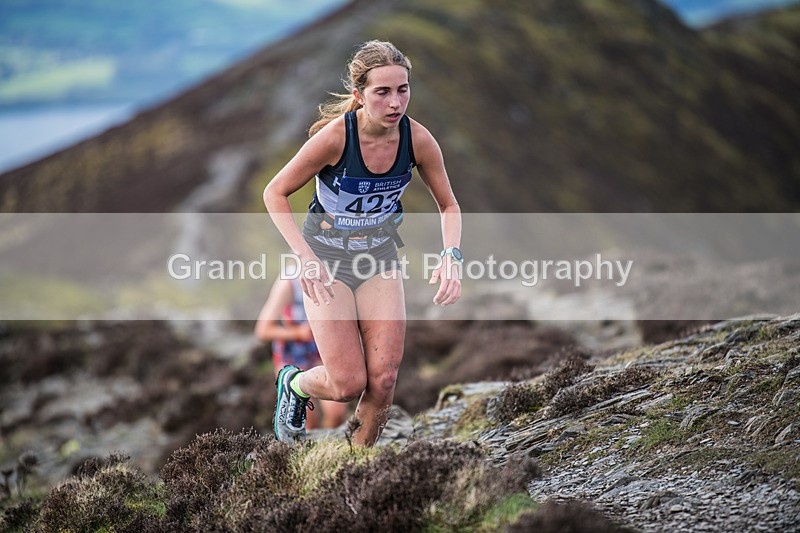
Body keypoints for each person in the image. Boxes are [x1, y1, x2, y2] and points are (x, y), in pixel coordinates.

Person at [264, 40, 462, 446]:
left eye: (403, 90)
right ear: (359, 95)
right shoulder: (336, 139)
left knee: (385, 379)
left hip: (379, 258)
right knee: (347, 383)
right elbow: (275, 192)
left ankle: (357, 469)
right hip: (326, 259)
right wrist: (303, 257)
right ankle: (295, 384)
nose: (395, 103)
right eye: (382, 92)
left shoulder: (418, 140)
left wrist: (451, 255)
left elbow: (449, 205)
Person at [254, 275, 348, 431]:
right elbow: (262, 331)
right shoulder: (288, 283)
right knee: (307, 421)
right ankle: (311, 450)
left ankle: (325, 447)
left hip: (322, 352)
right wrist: (299, 333)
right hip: (292, 356)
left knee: (337, 413)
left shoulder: (334, 275)